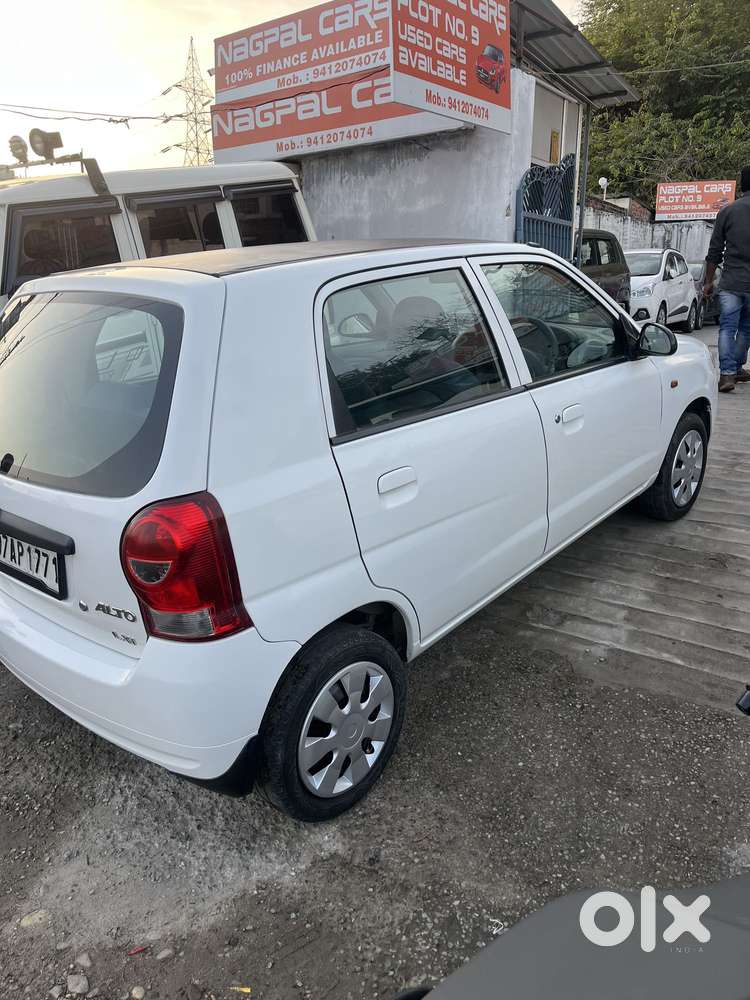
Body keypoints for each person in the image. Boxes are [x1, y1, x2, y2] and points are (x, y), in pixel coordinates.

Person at [705, 166, 750, 392]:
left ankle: (727, 374)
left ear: (742, 185)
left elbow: (715, 251)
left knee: (727, 327)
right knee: (746, 329)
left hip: (731, 282)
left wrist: (708, 282)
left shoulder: (727, 212)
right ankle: (737, 368)